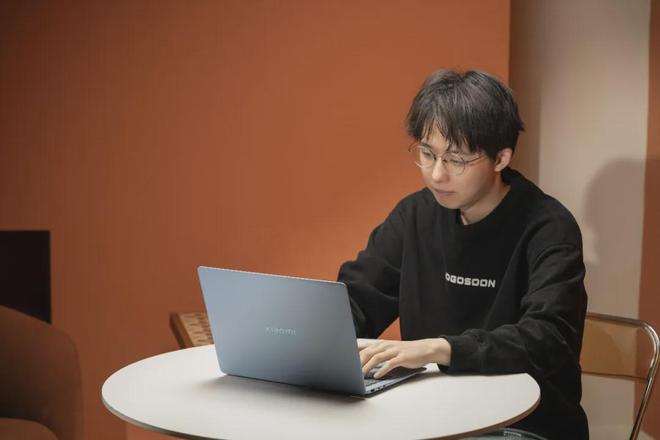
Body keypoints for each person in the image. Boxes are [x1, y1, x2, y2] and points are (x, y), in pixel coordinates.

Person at [337, 70, 589, 439]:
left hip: (525, 424)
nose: (437, 175)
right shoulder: (414, 216)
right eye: (427, 154)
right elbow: (359, 300)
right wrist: (315, 335)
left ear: (501, 158)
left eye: (456, 160)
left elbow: (548, 338)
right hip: (431, 415)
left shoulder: (549, 227)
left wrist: (439, 349)